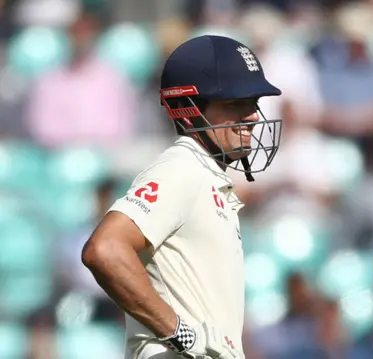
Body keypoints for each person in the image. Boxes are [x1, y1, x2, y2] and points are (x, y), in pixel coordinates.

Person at [81, 35, 283, 359]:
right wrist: (180, 333)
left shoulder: (205, 175)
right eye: (235, 104)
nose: (254, 117)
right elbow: (105, 250)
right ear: (188, 110)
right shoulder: (182, 168)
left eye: (253, 103)